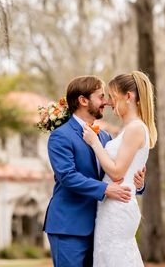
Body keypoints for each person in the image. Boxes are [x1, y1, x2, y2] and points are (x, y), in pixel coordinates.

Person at [43, 75, 146, 267]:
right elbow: (67, 176)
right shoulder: (60, 136)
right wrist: (106, 190)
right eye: (100, 97)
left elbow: (115, 170)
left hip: (102, 226)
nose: (106, 102)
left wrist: (138, 184)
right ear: (83, 100)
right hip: (69, 227)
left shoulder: (105, 137)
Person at [82, 71, 158, 267]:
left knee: (114, 257)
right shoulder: (129, 129)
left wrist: (94, 143)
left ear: (129, 96)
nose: (108, 102)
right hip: (111, 204)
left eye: (113, 96)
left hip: (118, 207)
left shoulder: (135, 128)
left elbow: (117, 172)